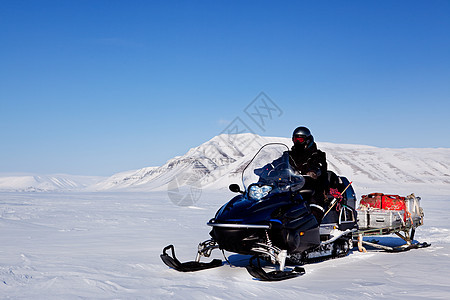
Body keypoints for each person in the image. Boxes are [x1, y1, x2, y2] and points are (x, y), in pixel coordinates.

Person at [289, 126, 328, 221]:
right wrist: (266, 168)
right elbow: (279, 163)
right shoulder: (289, 155)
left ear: (307, 140)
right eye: (296, 139)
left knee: (314, 206)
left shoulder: (317, 154)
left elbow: (320, 165)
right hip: (292, 188)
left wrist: (314, 171)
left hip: (312, 188)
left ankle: (313, 226)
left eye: (300, 139)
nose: (298, 142)